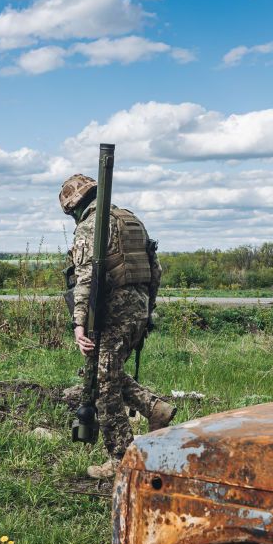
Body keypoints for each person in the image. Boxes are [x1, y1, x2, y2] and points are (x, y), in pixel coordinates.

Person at [61, 174, 176, 480]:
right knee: (105, 374)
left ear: (76, 205)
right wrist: (147, 309)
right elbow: (155, 269)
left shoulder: (92, 227)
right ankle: (155, 409)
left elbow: (85, 277)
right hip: (137, 307)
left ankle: (121, 459)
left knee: (106, 389)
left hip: (110, 312)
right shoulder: (131, 220)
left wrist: (79, 323)